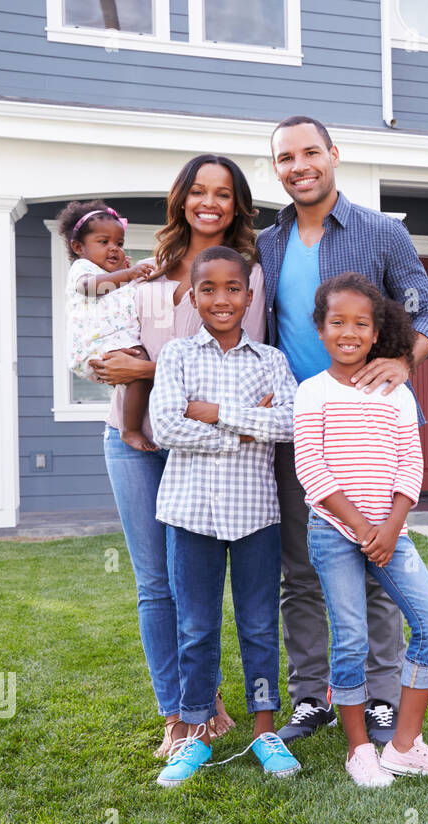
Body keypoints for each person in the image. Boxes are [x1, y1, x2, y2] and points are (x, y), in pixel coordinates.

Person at [258, 115, 428, 745]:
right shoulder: (268, 243)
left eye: (310, 152)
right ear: (277, 169)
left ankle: (382, 698)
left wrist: (405, 360)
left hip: (372, 426)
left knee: (378, 568)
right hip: (300, 428)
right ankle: (312, 697)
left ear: (333, 155)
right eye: (286, 158)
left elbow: (427, 309)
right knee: (302, 571)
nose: (299, 166)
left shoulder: (381, 232)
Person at [91, 155, 264, 757]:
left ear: (237, 205)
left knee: (198, 583)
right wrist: (108, 362)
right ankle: (178, 712)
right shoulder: (145, 271)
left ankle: (203, 697)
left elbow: (238, 367)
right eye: (198, 191)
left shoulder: (247, 276)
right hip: (131, 440)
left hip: (202, 447)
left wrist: (143, 369)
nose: (208, 202)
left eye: (222, 193)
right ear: (181, 199)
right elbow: (111, 345)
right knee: (154, 584)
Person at [295, 273, 428, 787]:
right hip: (334, 531)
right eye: (337, 322)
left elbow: (410, 464)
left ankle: (404, 746)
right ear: (320, 329)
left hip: (392, 532)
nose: (348, 332)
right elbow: (311, 469)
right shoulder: (312, 392)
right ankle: (358, 750)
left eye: (360, 324)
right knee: (351, 639)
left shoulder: (397, 393)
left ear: (376, 333)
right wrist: (363, 528)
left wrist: (390, 528)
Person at [150, 246, 301, 787]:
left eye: (233, 288)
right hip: (190, 513)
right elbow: (166, 427)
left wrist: (213, 414)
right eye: (208, 289)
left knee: (259, 624)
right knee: (196, 627)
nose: (221, 299)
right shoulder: (176, 356)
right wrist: (244, 429)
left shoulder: (271, 361)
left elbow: (289, 423)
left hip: (255, 513)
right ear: (193, 297)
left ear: (249, 295)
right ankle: (195, 732)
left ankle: (265, 730)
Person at [58, 200, 156, 452]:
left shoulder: (116, 274)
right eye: (103, 242)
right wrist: (126, 275)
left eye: (119, 244)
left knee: (139, 372)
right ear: (79, 247)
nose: (114, 249)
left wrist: (125, 274)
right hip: (95, 344)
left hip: (116, 341)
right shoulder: (83, 269)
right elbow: (90, 287)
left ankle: (132, 424)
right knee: (140, 369)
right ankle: (130, 430)